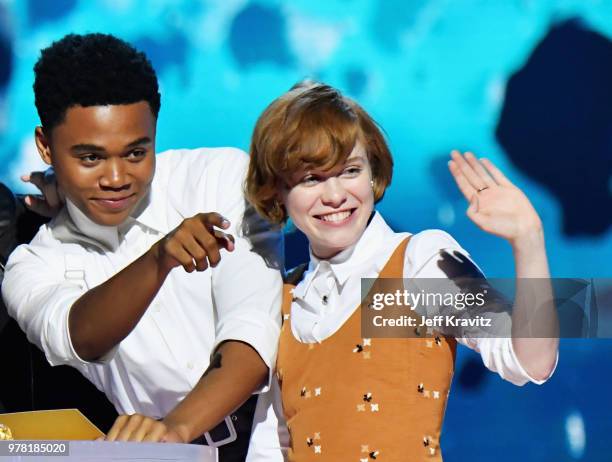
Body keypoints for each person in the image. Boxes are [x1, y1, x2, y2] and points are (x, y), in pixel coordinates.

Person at [243, 82, 559, 460]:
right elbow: (270, 448)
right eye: (312, 178)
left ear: (373, 174)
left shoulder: (418, 262)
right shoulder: (283, 298)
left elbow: (529, 361)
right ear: (277, 191)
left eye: (349, 170)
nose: (334, 195)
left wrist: (528, 239)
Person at [1, 33, 282, 456]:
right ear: (45, 146)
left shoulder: (217, 177)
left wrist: (174, 430)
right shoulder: (33, 263)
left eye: (136, 152)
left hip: (278, 443)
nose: (116, 178)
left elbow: (253, 328)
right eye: (90, 158)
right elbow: (81, 338)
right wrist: (158, 260)